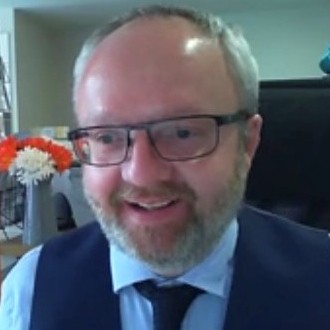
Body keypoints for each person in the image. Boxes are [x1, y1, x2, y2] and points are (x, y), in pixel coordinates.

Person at [1, 4, 330, 330]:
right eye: (107, 136)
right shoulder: (29, 290)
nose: (141, 174)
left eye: (182, 132)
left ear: (247, 142)